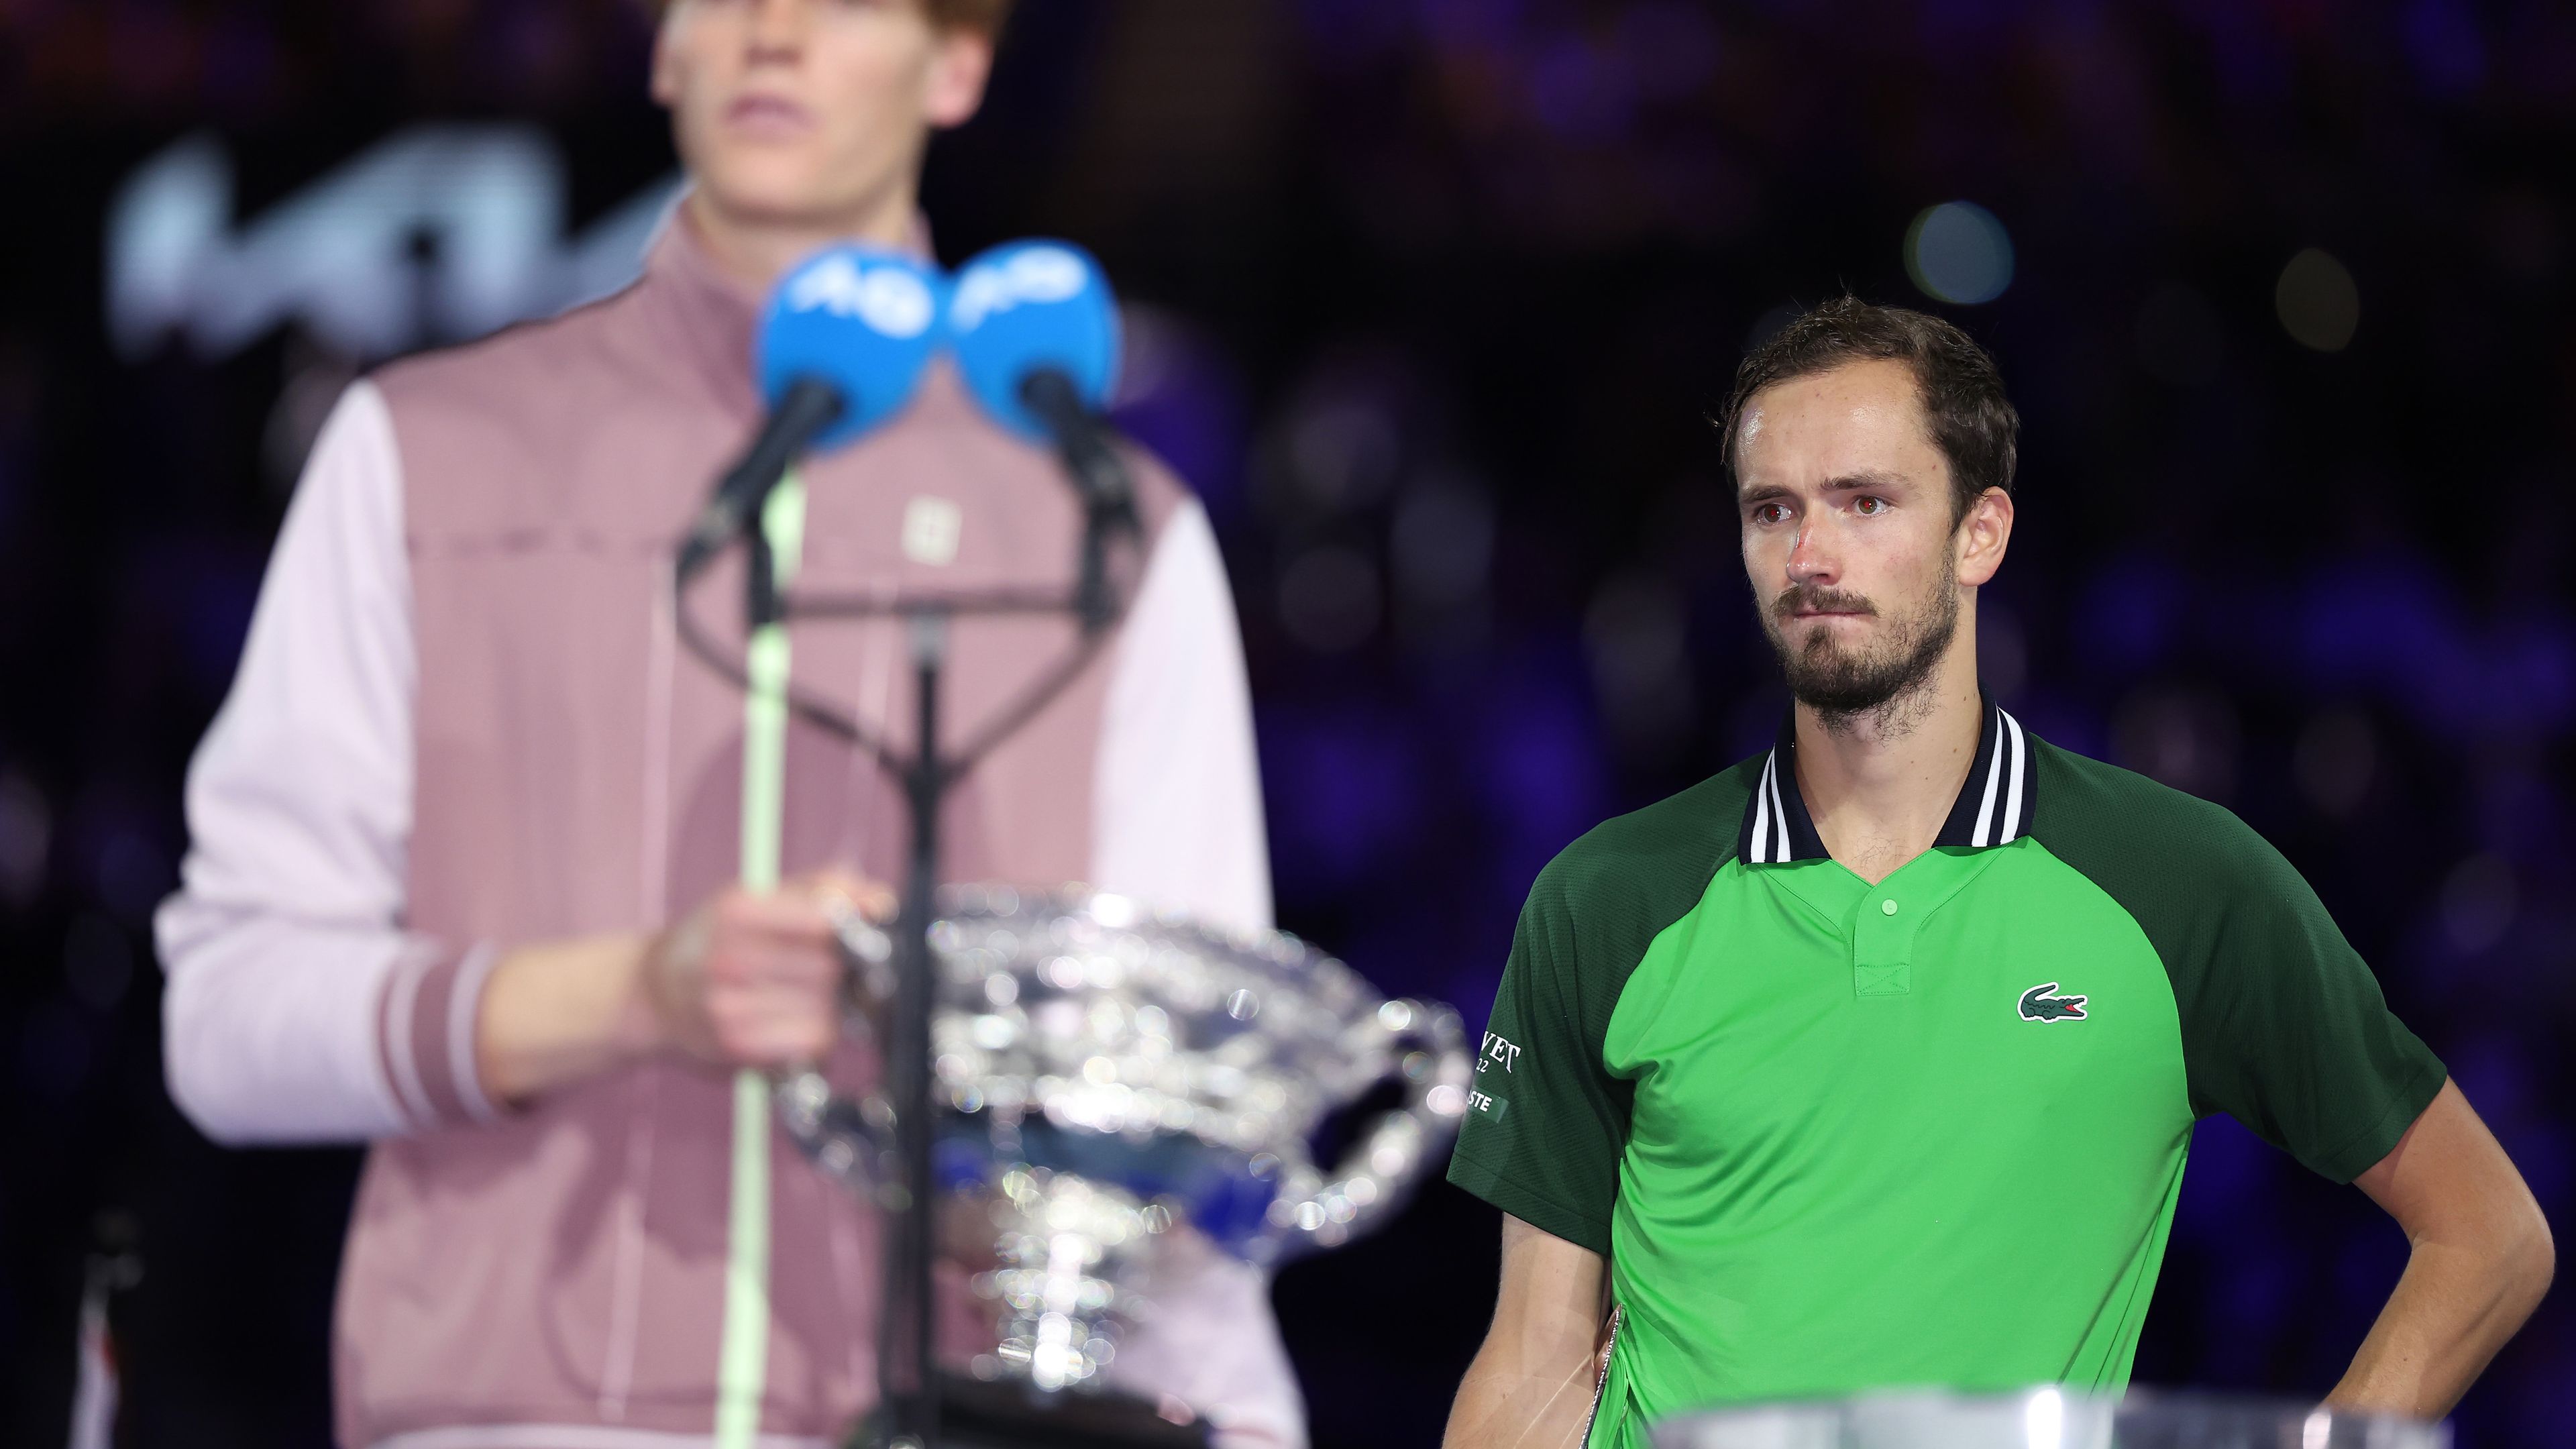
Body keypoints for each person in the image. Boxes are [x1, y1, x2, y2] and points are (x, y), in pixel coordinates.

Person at [156, 1, 1305, 1446]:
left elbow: (1178, 1093)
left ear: (956, 62)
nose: (773, 33)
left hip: (970, 1416)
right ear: (663, 49)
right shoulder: (426, 451)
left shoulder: (1112, 527)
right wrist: (634, 992)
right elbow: (228, 1016)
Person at [1438, 299, 2554, 1448]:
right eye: (1774, 510)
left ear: (1983, 533)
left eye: (1864, 502)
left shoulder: (2178, 882)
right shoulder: (1608, 897)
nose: (1809, 556)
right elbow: (1535, 1357)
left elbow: (2488, 1234)